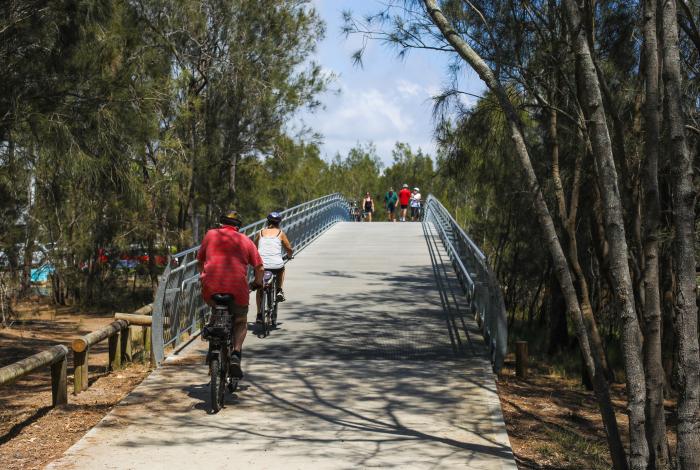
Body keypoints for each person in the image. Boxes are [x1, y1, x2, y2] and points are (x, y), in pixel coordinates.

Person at [197, 210, 263, 379]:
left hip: (211, 288)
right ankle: (236, 354)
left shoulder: (210, 235)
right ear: (238, 227)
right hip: (237, 290)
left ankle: (213, 344)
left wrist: (203, 279)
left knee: (215, 311)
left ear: (221, 224)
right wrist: (257, 283)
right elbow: (259, 267)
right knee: (240, 320)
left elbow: (200, 260)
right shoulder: (245, 240)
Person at [254, 212, 293, 323]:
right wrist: (290, 255)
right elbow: (289, 248)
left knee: (260, 288)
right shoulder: (280, 233)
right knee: (282, 268)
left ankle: (259, 314)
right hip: (276, 265)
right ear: (279, 222)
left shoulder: (260, 232)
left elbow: (253, 247)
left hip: (261, 266)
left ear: (268, 221)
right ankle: (279, 290)